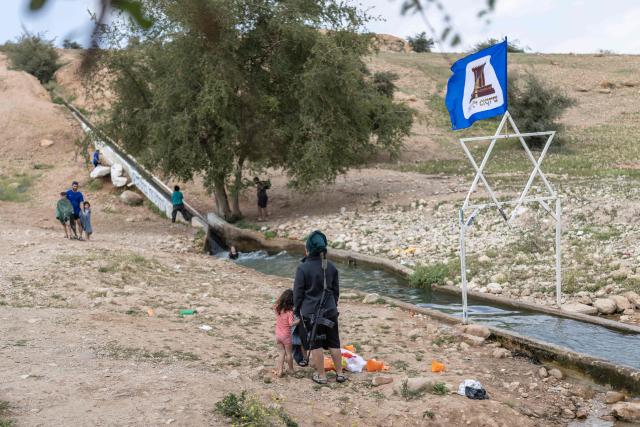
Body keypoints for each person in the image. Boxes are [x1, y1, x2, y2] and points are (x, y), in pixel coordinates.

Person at [293, 230, 345, 384]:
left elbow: (298, 294)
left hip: (310, 313)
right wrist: (332, 306)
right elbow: (336, 291)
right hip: (330, 311)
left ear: (308, 249)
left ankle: (321, 376)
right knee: (334, 343)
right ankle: (340, 374)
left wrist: (297, 311)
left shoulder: (302, 268)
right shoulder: (331, 267)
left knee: (315, 344)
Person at [274, 289, 299, 377]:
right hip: (286, 336)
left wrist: (279, 300)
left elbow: (274, 304)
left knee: (281, 353)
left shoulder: (277, 308)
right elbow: (291, 324)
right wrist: (298, 321)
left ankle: (280, 371)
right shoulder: (290, 312)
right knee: (289, 353)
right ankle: (291, 370)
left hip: (277, 335)